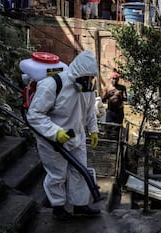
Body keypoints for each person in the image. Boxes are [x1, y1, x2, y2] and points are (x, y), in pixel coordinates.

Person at [26, 51, 101, 220]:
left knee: (81, 172)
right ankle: (58, 207)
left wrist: (94, 130)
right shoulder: (52, 84)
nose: (88, 82)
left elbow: (89, 112)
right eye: (85, 78)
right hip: (53, 140)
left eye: (91, 78)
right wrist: (55, 132)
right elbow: (34, 114)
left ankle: (80, 205)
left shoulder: (87, 88)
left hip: (77, 136)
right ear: (76, 74)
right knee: (57, 175)